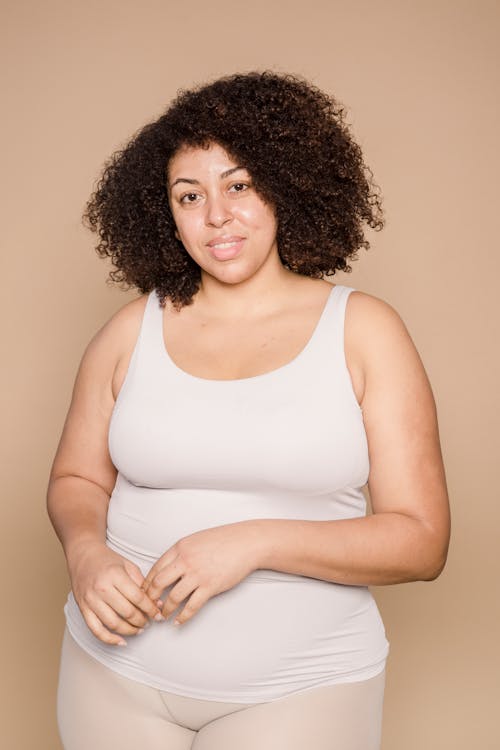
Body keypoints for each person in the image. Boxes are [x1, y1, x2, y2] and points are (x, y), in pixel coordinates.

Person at [47, 71, 450, 750]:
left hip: (300, 688)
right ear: (163, 213)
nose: (216, 216)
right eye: (189, 196)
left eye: (238, 186)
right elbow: (76, 481)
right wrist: (86, 554)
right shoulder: (129, 331)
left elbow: (422, 541)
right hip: (110, 675)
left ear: (285, 186)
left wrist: (255, 541)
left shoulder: (364, 331)